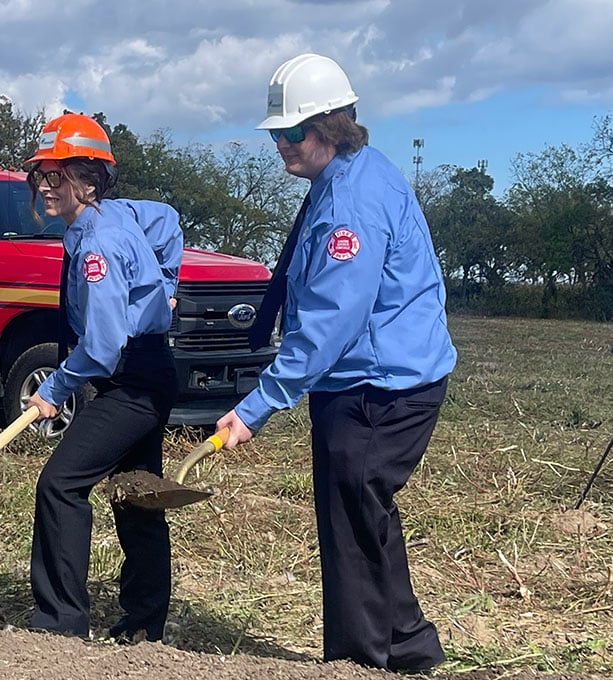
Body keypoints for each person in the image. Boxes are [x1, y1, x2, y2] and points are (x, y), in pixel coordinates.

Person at [215, 54, 457, 672]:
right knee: (363, 514)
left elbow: (330, 321)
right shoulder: (349, 179)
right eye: (276, 132)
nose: (280, 144)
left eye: (292, 132)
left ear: (332, 126)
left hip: (379, 389)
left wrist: (256, 406)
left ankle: (359, 660)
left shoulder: (351, 200)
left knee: (352, 526)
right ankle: (406, 646)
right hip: (373, 381)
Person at [23, 113, 182, 642]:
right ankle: (144, 623)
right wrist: (163, 285)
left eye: (58, 175)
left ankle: (60, 620)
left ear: (89, 182)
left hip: (132, 378)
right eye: (41, 173)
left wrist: (54, 388)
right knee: (136, 493)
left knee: (60, 484)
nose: (46, 185)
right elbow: (168, 220)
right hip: (142, 371)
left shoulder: (100, 244)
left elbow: (103, 344)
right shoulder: (113, 218)